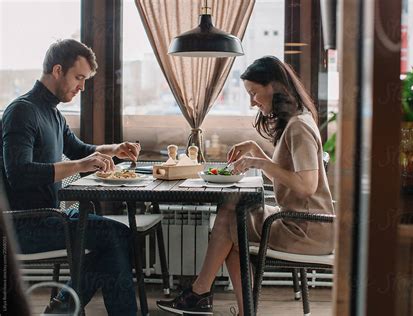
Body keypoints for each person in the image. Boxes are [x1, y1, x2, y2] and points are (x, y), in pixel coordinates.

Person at [157, 56, 335, 315]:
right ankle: (219, 301)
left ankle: (200, 293)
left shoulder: (298, 127)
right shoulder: (298, 120)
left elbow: (307, 185)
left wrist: (259, 163)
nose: (252, 101)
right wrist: (257, 153)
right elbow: (289, 176)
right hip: (303, 223)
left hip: (305, 229)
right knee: (233, 219)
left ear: (274, 86)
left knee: (231, 217)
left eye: (254, 92)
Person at [1, 39, 140, 315]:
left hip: (50, 217)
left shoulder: (52, 113)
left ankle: (63, 308)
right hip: (22, 225)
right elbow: (19, 173)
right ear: (57, 70)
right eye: (79, 77)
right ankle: (65, 308)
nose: (82, 87)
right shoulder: (21, 112)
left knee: (120, 236)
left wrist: (116, 150)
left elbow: (80, 150)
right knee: (114, 238)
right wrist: (79, 165)